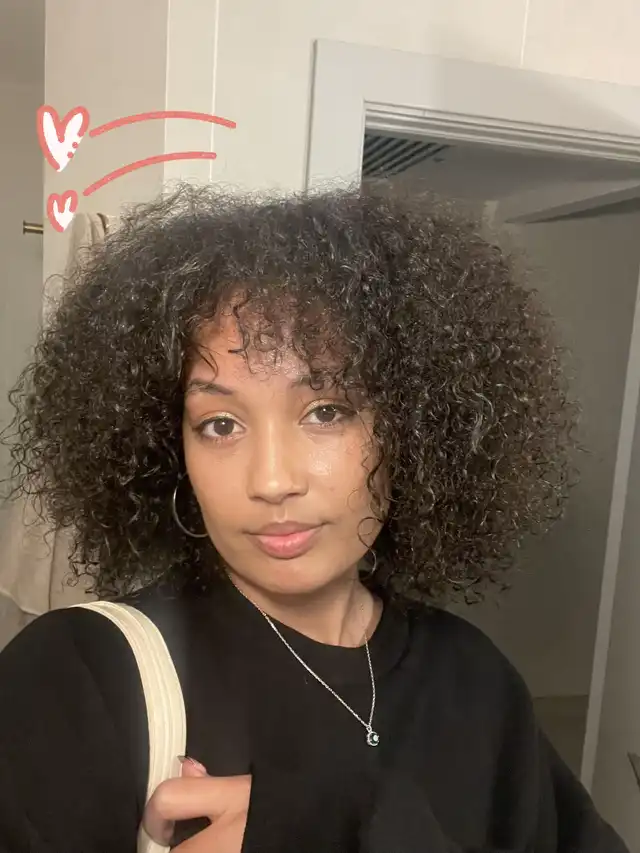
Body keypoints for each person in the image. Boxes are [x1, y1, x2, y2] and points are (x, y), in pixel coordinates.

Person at [0, 183, 627, 853]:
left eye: (326, 411)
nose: (272, 480)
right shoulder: (78, 678)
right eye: (220, 424)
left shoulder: (475, 682)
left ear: (411, 426)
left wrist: (353, 829)